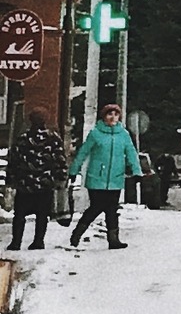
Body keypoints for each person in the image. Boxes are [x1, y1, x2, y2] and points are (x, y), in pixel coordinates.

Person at [68, 98, 143, 248]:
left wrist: (137, 172)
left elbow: (131, 153)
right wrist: (74, 171)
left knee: (112, 210)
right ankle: (77, 234)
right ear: (104, 117)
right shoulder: (96, 134)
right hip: (97, 178)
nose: (113, 117)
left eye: (116, 114)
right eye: (110, 114)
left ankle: (113, 240)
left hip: (115, 179)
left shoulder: (124, 135)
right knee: (95, 207)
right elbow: (83, 153)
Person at [7, 109, 64, 251]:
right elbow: (59, 160)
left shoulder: (23, 138)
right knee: (42, 214)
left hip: (25, 183)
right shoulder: (53, 138)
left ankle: (16, 242)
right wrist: (60, 177)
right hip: (45, 183)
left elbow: (14, 160)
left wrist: (11, 178)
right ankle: (38, 241)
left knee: (19, 214)